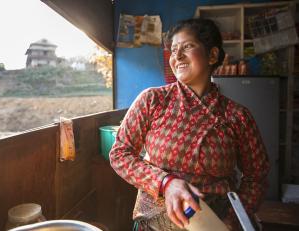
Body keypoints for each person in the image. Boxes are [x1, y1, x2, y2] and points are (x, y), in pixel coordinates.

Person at [109, 18, 269, 230]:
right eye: (174, 50)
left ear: (212, 55)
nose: (177, 56)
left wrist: (232, 218)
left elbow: (256, 175)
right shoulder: (152, 100)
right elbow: (120, 153)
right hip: (155, 222)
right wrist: (166, 183)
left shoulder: (237, 116)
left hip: (215, 222)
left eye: (187, 46)